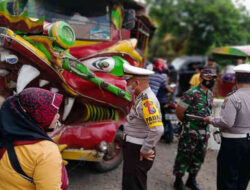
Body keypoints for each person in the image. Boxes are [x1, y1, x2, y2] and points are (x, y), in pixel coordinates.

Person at [0, 88, 68, 190]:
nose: (57, 116)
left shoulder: (4, 134)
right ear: (39, 117)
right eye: (53, 112)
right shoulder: (46, 151)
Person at [204, 64, 250, 190]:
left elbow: (227, 122)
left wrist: (211, 119)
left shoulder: (233, 98)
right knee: (243, 178)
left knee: (227, 179)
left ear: (236, 79)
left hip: (233, 143)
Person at [173, 69, 216, 190]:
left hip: (204, 132)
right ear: (201, 79)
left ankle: (191, 180)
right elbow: (179, 112)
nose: (211, 81)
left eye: (213, 78)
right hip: (190, 131)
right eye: (209, 78)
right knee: (184, 155)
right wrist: (188, 124)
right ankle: (178, 180)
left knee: (199, 156)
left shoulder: (210, 94)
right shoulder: (191, 93)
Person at [122, 73, 164, 190]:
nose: (126, 85)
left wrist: (146, 149)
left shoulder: (147, 101)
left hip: (137, 149)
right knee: (130, 183)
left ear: (136, 83)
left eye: (128, 82)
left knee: (134, 185)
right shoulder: (141, 97)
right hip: (133, 147)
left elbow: (157, 129)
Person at [149, 58, 173, 125]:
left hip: (145, 98)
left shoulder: (148, 75)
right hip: (154, 99)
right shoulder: (161, 77)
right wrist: (171, 89)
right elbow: (168, 88)